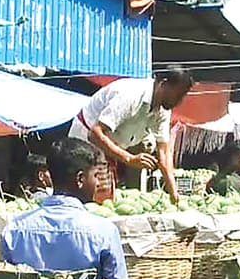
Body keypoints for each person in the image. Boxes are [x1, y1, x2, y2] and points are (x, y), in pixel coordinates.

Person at [1, 138, 131, 279]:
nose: (98, 183)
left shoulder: (14, 229)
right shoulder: (104, 232)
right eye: (96, 176)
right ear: (80, 179)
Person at [69, 66, 193, 204]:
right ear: (163, 84)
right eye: (178, 95)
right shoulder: (131, 95)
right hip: (85, 138)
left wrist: (173, 194)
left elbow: (163, 152)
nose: (180, 101)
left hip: (109, 146)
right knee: (83, 193)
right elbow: (95, 133)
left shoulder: (163, 110)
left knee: (104, 199)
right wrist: (129, 159)